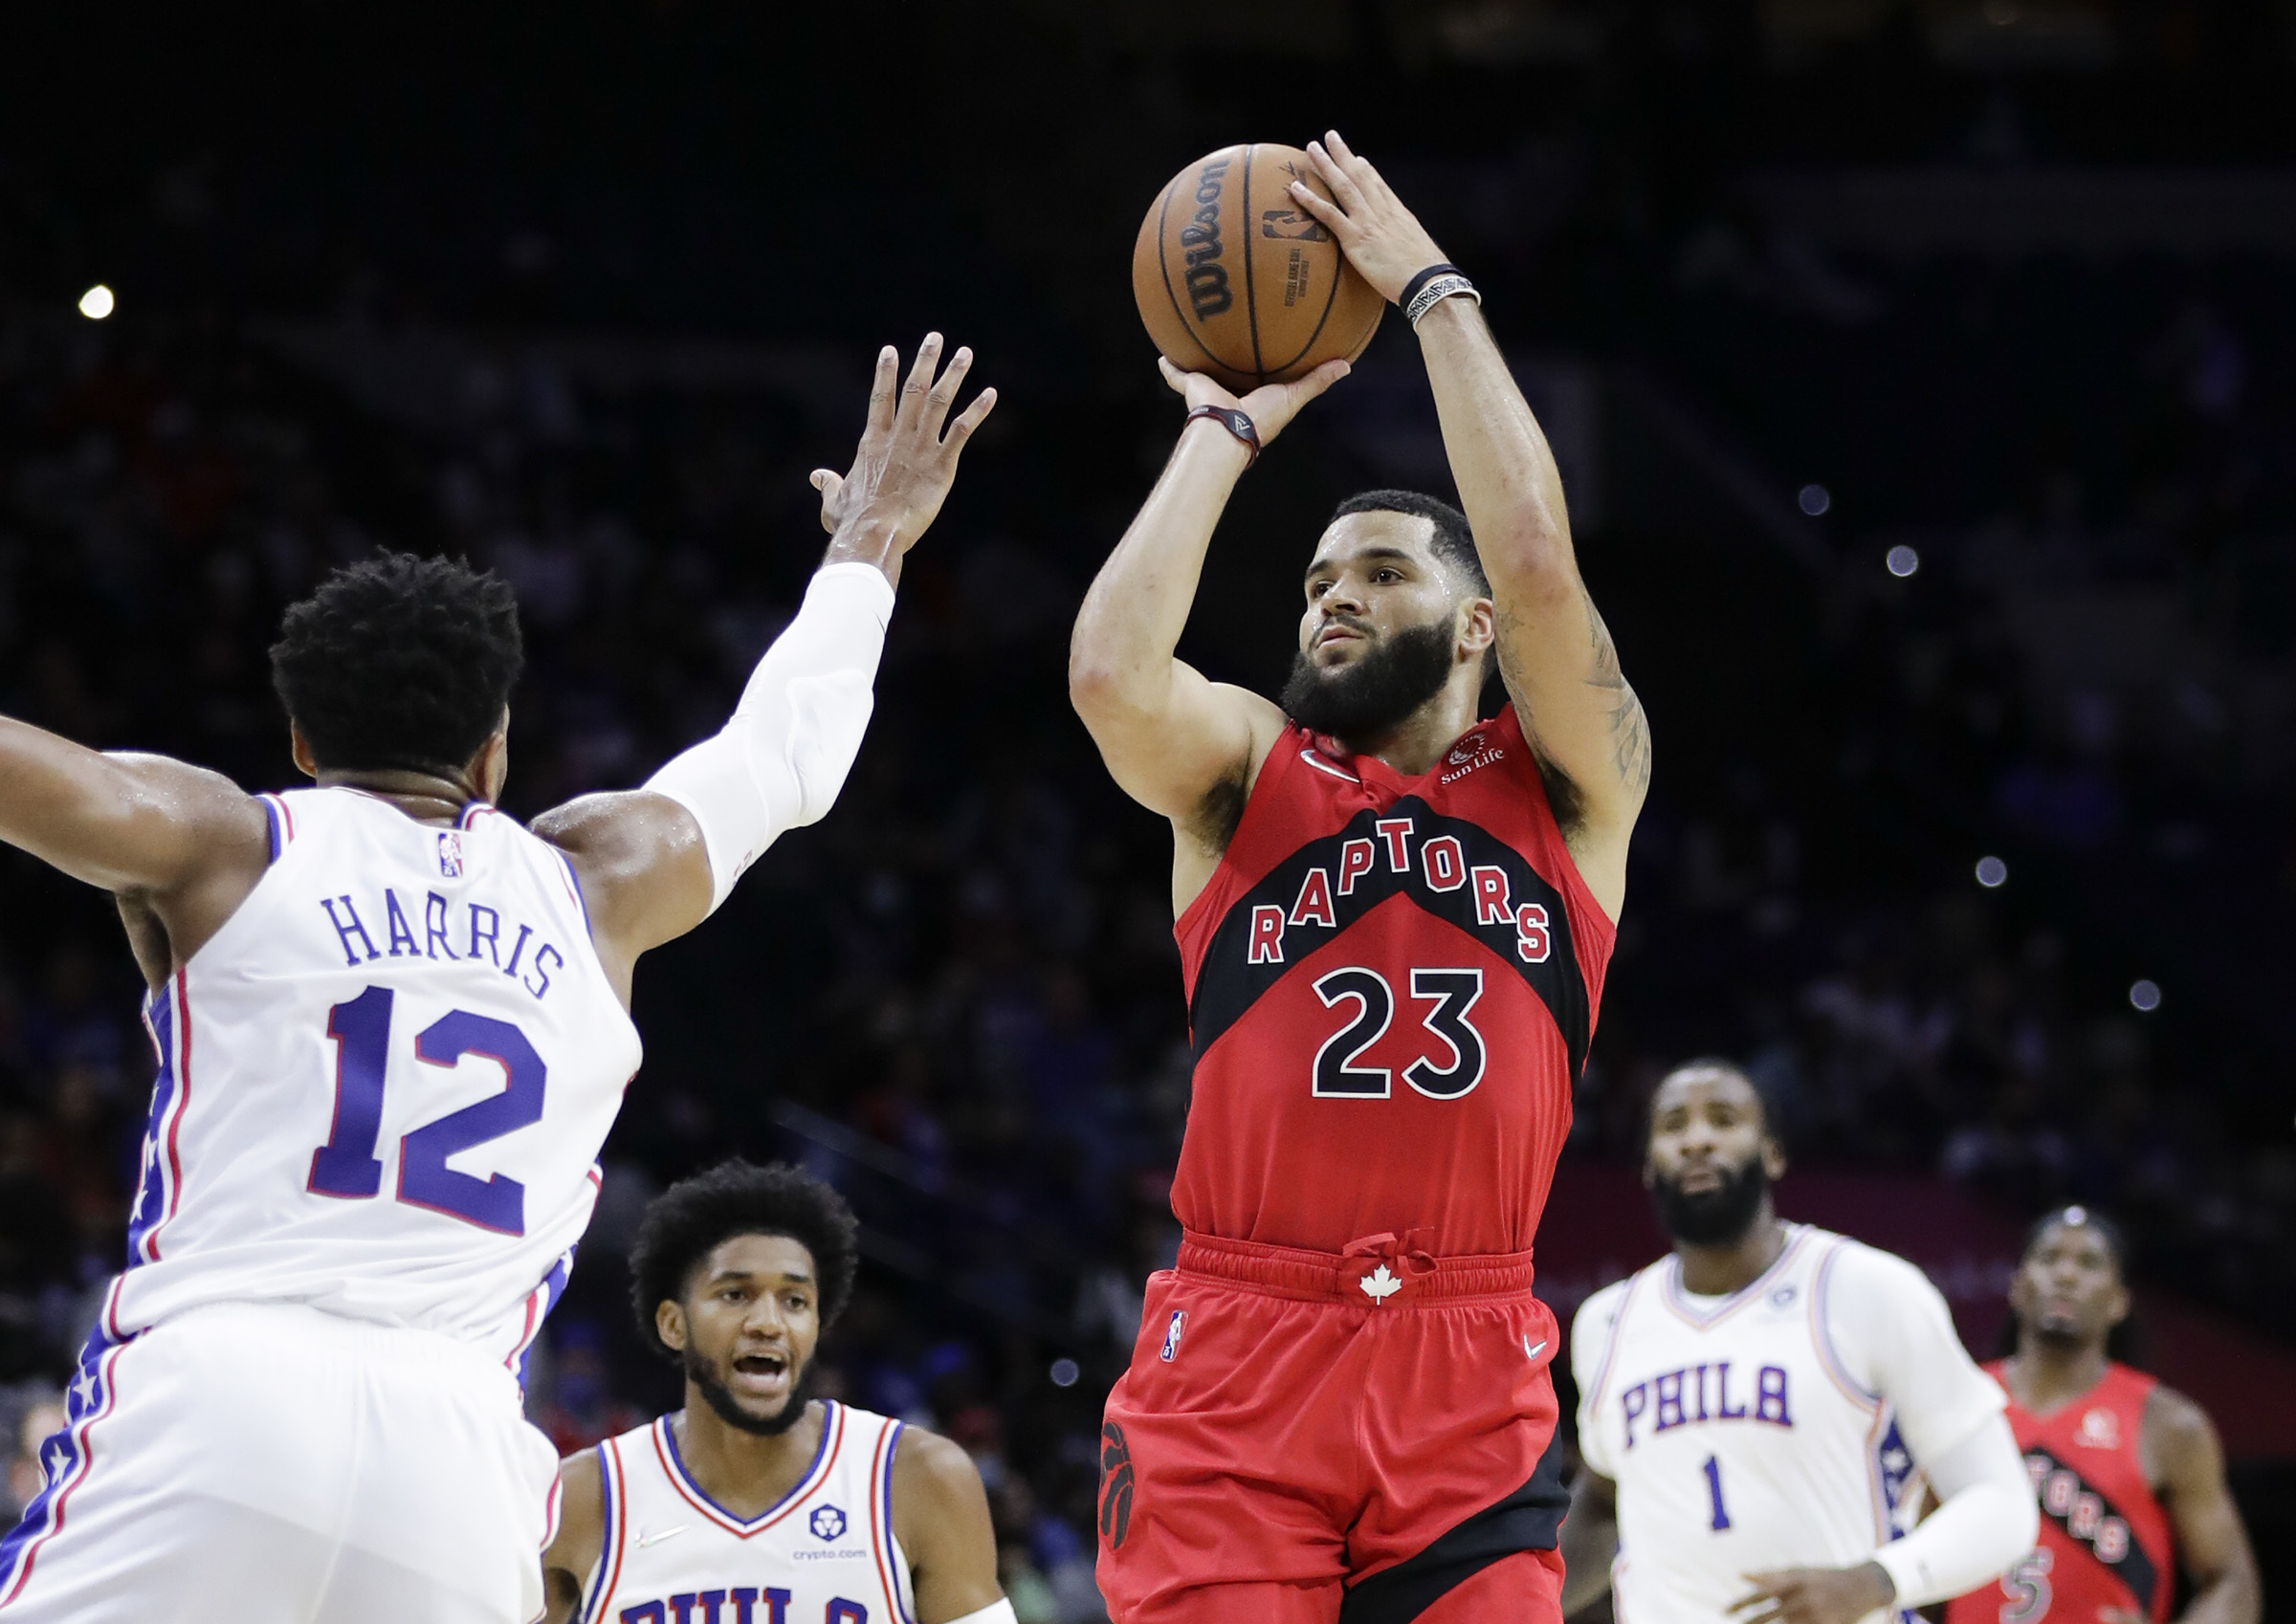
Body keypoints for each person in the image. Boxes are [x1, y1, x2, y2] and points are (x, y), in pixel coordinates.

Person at [0, 337, 995, 1623]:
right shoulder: (598, 881)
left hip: (221, 1394)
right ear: (495, 749)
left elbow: (43, 778)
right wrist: (870, 544)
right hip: (460, 1454)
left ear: (303, 742)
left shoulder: (226, 843)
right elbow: (788, 753)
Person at [1070, 130, 1648, 1624]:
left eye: (1383, 573)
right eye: (1321, 580)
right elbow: (1111, 672)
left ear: (1470, 631)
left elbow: (1535, 561)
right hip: (1240, 1342)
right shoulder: (1249, 772)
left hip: (1468, 1354)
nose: (1337, 597)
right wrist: (1223, 427)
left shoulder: (1575, 785)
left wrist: (1434, 296)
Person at [1562, 1060, 2039, 1624]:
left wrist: (1876, 1581)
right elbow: (1601, 1502)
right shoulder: (1606, 1322)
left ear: (1773, 1153)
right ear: (1648, 1165)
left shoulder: (1870, 1289)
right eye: (1673, 1126)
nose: (1697, 1140)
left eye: (1723, 1119)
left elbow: (2004, 1505)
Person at [540, 1160, 1010, 1624]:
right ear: (673, 1324)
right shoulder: (583, 1499)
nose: (768, 1323)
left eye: (794, 1301)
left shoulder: (915, 1478)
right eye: (735, 1295)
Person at [1944, 1207, 2260, 1624]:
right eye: (2050, 1258)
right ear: (2017, 1287)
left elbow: (2230, 1582)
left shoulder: (2167, 1425)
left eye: (2089, 1263)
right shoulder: (1955, 1404)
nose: (2067, 1275)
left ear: (2118, 1302)